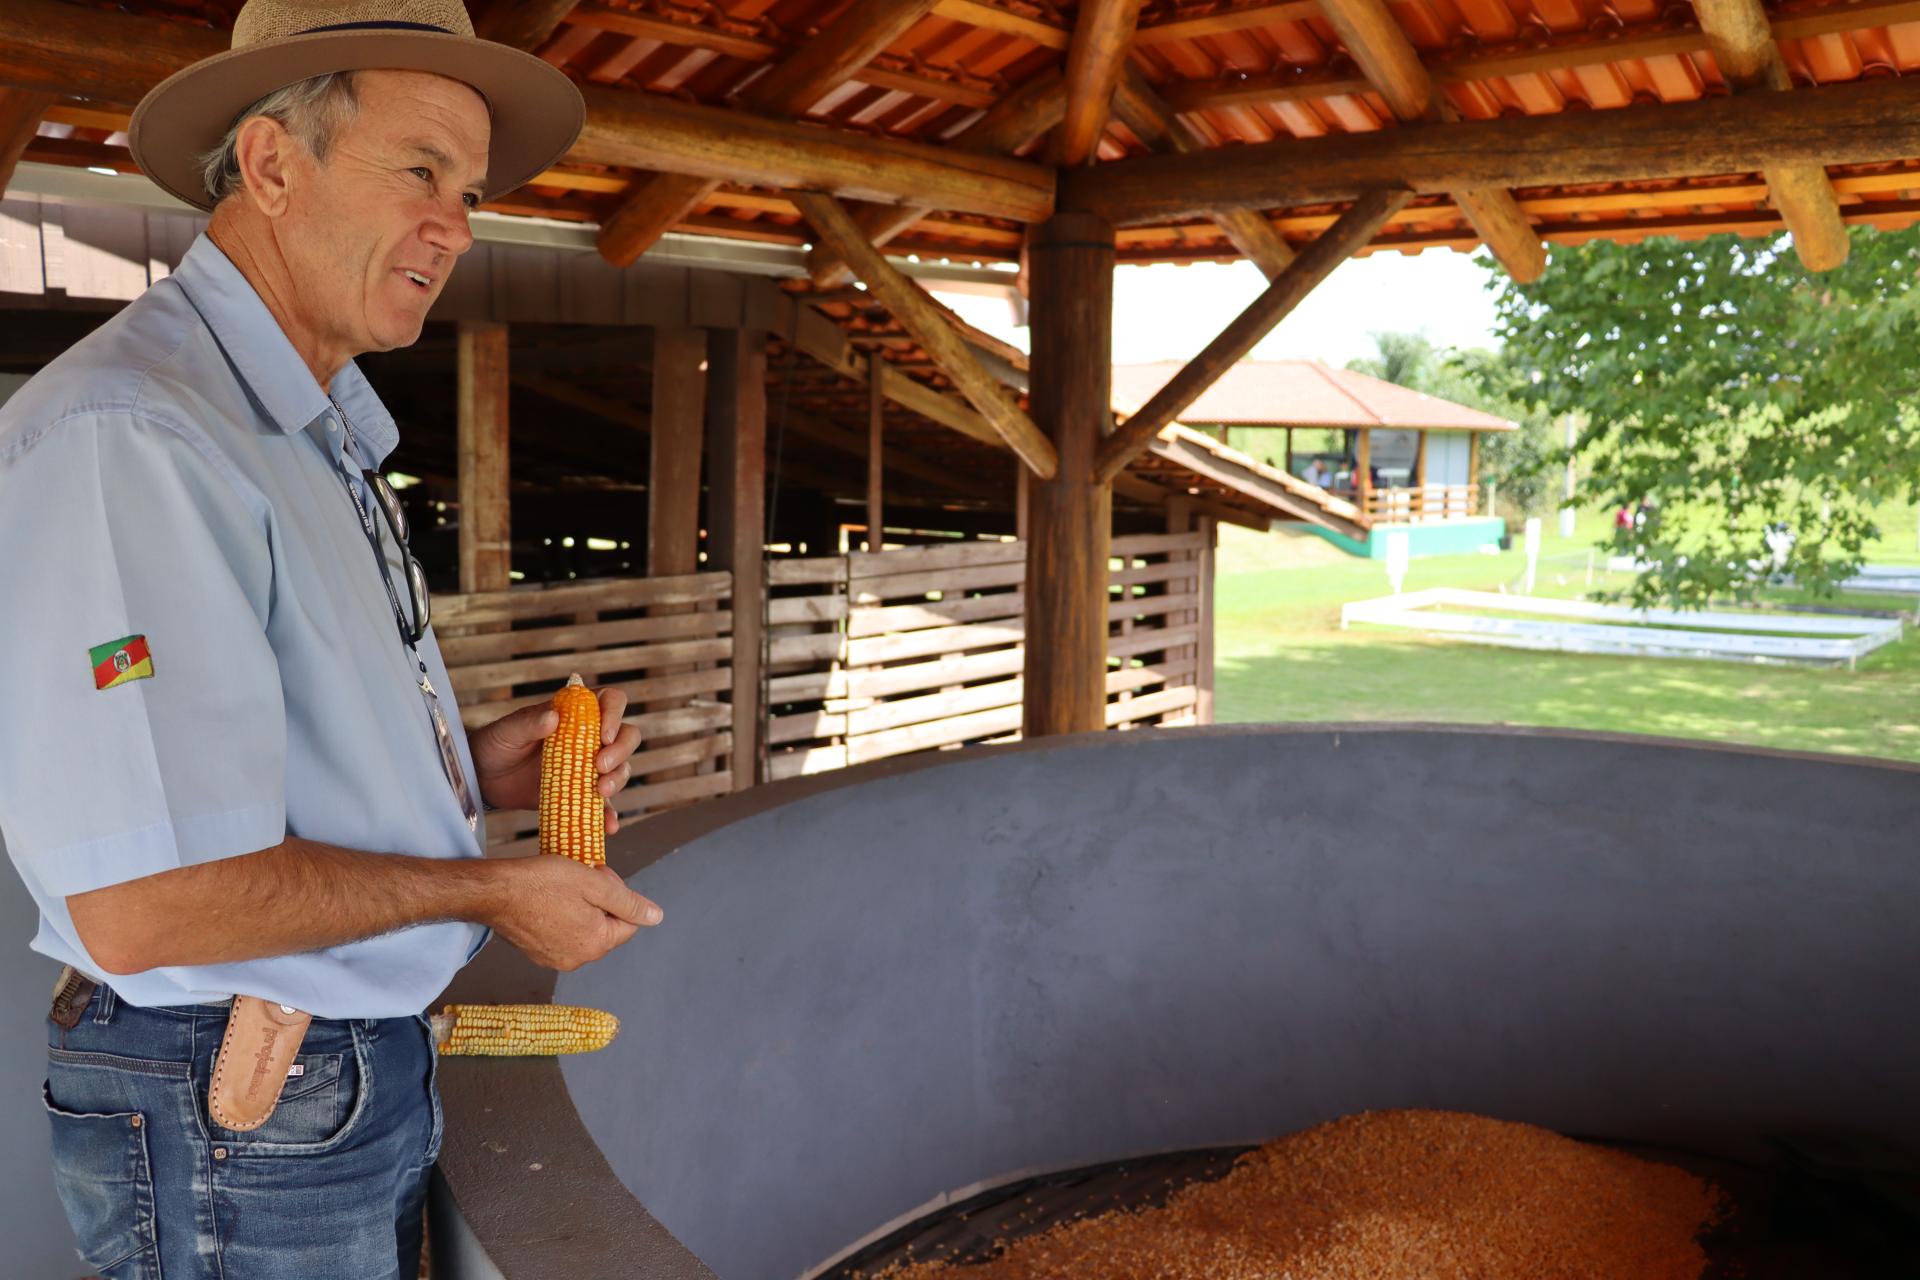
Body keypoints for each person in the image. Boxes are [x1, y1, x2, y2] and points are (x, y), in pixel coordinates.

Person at [0, 4, 654, 1275]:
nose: (459, 226)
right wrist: (487, 886)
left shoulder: (302, 428)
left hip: (320, 1073)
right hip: (243, 1095)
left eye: (466, 190)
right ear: (271, 163)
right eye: (420, 170)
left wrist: (465, 767)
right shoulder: (137, 435)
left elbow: (225, 762)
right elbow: (142, 901)